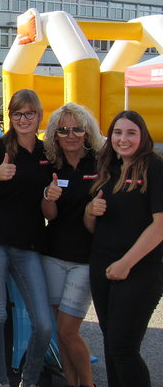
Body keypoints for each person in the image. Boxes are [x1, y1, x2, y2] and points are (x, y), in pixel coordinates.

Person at [0, 88, 52, 387]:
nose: (23, 118)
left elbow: (49, 206)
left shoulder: (47, 152)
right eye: (17, 113)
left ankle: (28, 381)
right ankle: (0, 381)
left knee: (43, 324)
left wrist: (51, 196)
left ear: (38, 115)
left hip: (29, 243)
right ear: (10, 117)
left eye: (29, 112)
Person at [84, 110, 163, 387]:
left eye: (131, 132)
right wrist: (90, 211)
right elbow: (92, 226)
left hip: (139, 270)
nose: (123, 139)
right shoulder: (108, 168)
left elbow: (160, 226)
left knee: (123, 349)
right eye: (117, 132)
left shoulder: (154, 167)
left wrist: (126, 263)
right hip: (103, 266)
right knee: (111, 345)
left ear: (142, 136)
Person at [40, 103, 103, 387]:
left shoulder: (102, 163)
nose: (71, 135)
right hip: (52, 254)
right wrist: (48, 197)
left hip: (85, 258)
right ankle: (71, 382)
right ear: (55, 134)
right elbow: (49, 215)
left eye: (77, 128)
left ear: (87, 131)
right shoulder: (53, 165)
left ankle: (87, 384)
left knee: (68, 330)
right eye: (63, 130)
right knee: (59, 331)